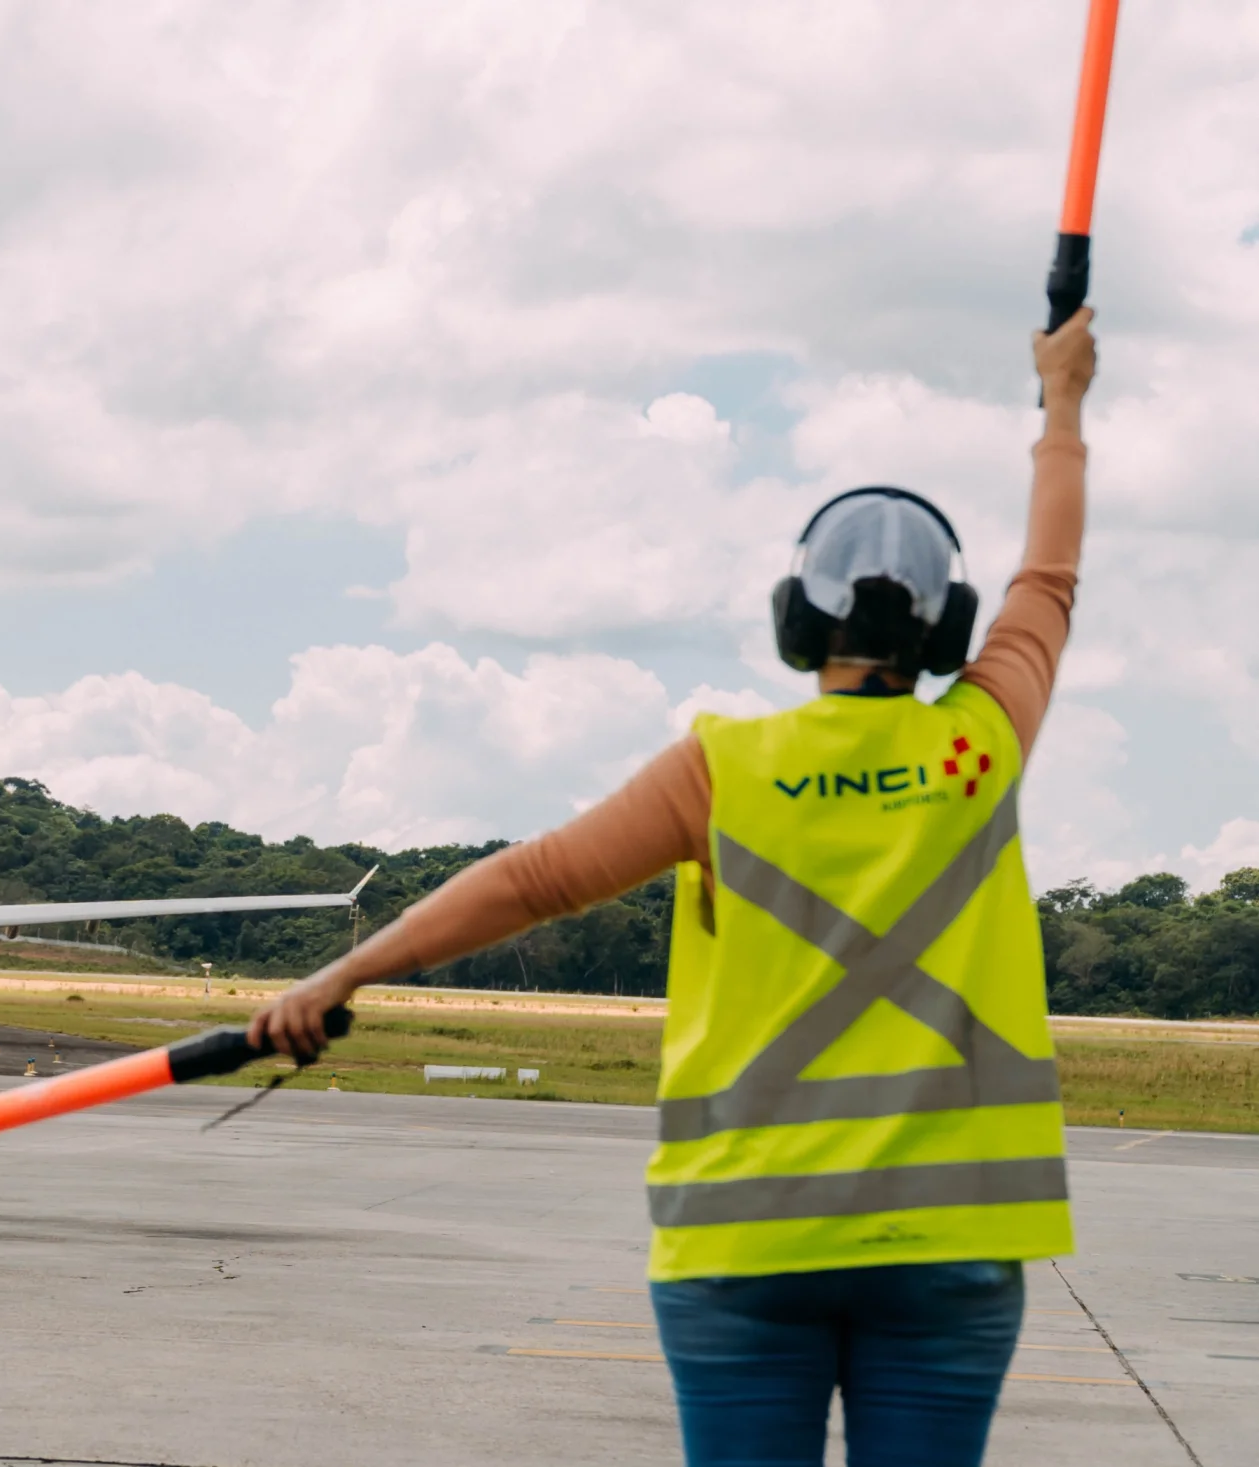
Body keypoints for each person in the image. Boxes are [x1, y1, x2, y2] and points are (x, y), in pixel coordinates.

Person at [249, 309, 1098, 1467]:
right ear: (945, 628)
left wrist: (345, 970)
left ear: (799, 620)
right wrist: (1061, 400)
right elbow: (1047, 574)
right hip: (948, 1244)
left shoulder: (726, 769)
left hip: (743, 1243)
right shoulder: (980, 742)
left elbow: (531, 882)